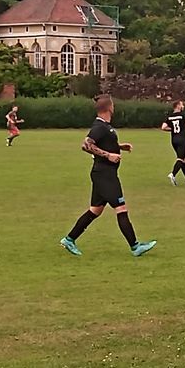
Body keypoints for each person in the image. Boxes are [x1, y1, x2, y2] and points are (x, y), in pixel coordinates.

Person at [59, 95, 156, 257]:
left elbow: (103, 143)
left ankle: (69, 239)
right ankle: (135, 246)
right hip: (105, 175)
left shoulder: (105, 126)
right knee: (121, 208)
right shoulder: (99, 126)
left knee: (95, 210)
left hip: (102, 173)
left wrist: (119, 147)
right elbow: (86, 145)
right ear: (109, 107)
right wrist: (108, 155)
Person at [161, 100, 185, 186]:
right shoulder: (183, 115)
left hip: (174, 140)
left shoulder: (170, 116)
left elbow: (163, 127)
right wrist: (184, 125)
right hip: (182, 140)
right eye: (182, 105)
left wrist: (172, 129)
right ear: (178, 106)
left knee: (183, 159)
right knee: (180, 158)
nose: (183, 106)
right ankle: (173, 174)